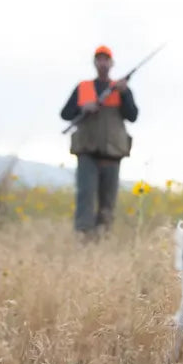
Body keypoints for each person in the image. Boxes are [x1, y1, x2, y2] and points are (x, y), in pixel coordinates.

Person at [61, 45, 138, 237]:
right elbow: (65, 113)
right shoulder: (83, 88)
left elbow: (133, 115)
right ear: (95, 63)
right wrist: (83, 108)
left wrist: (125, 93)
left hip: (112, 154)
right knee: (85, 197)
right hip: (87, 152)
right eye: (99, 59)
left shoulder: (121, 89)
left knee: (108, 203)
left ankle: (102, 241)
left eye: (106, 59)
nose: (103, 63)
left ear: (111, 63)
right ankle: (83, 240)